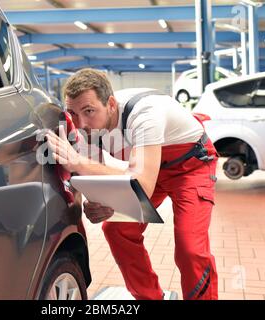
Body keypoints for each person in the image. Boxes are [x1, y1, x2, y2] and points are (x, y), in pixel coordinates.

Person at [46, 68, 218, 300]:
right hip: (149, 169)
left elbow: (141, 184)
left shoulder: (145, 114)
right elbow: (92, 178)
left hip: (190, 167)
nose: (81, 123)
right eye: (73, 113)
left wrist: (77, 161)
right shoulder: (85, 127)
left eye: (89, 111)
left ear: (111, 104)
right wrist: (99, 204)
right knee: (117, 229)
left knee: (190, 248)